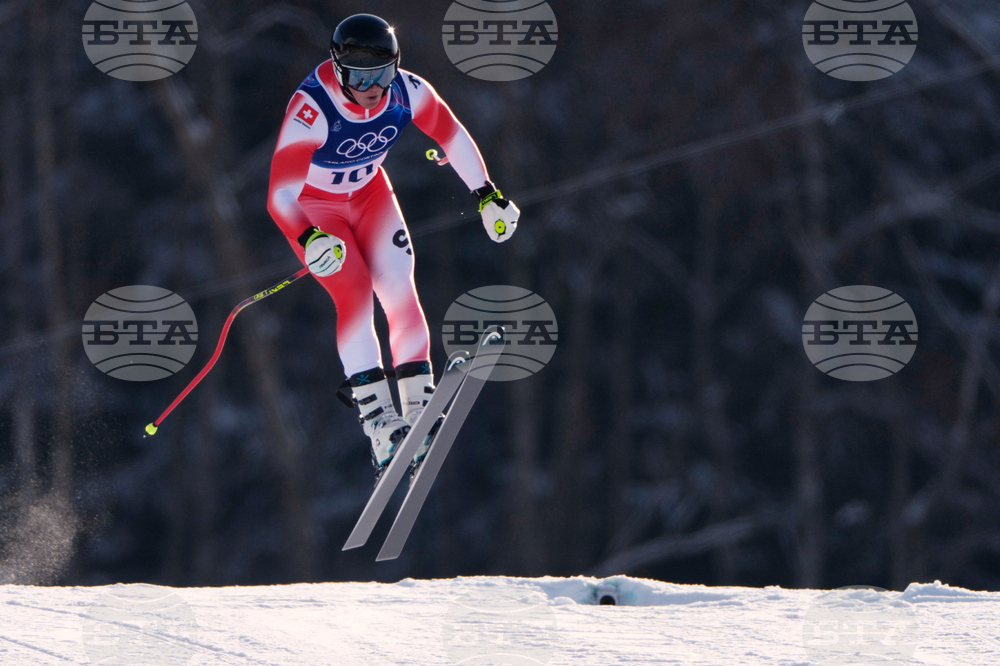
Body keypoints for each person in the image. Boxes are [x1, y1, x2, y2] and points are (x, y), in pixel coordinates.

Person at [266, 14, 520, 477]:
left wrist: (487, 195)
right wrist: (309, 236)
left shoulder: (408, 91)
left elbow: (451, 135)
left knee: (400, 289)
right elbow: (279, 194)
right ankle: (380, 423)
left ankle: (419, 403)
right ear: (339, 67)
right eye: (360, 74)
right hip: (315, 208)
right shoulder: (312, 109)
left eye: (382, 73)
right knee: (356, 293)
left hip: (369, 196)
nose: (373, 86)